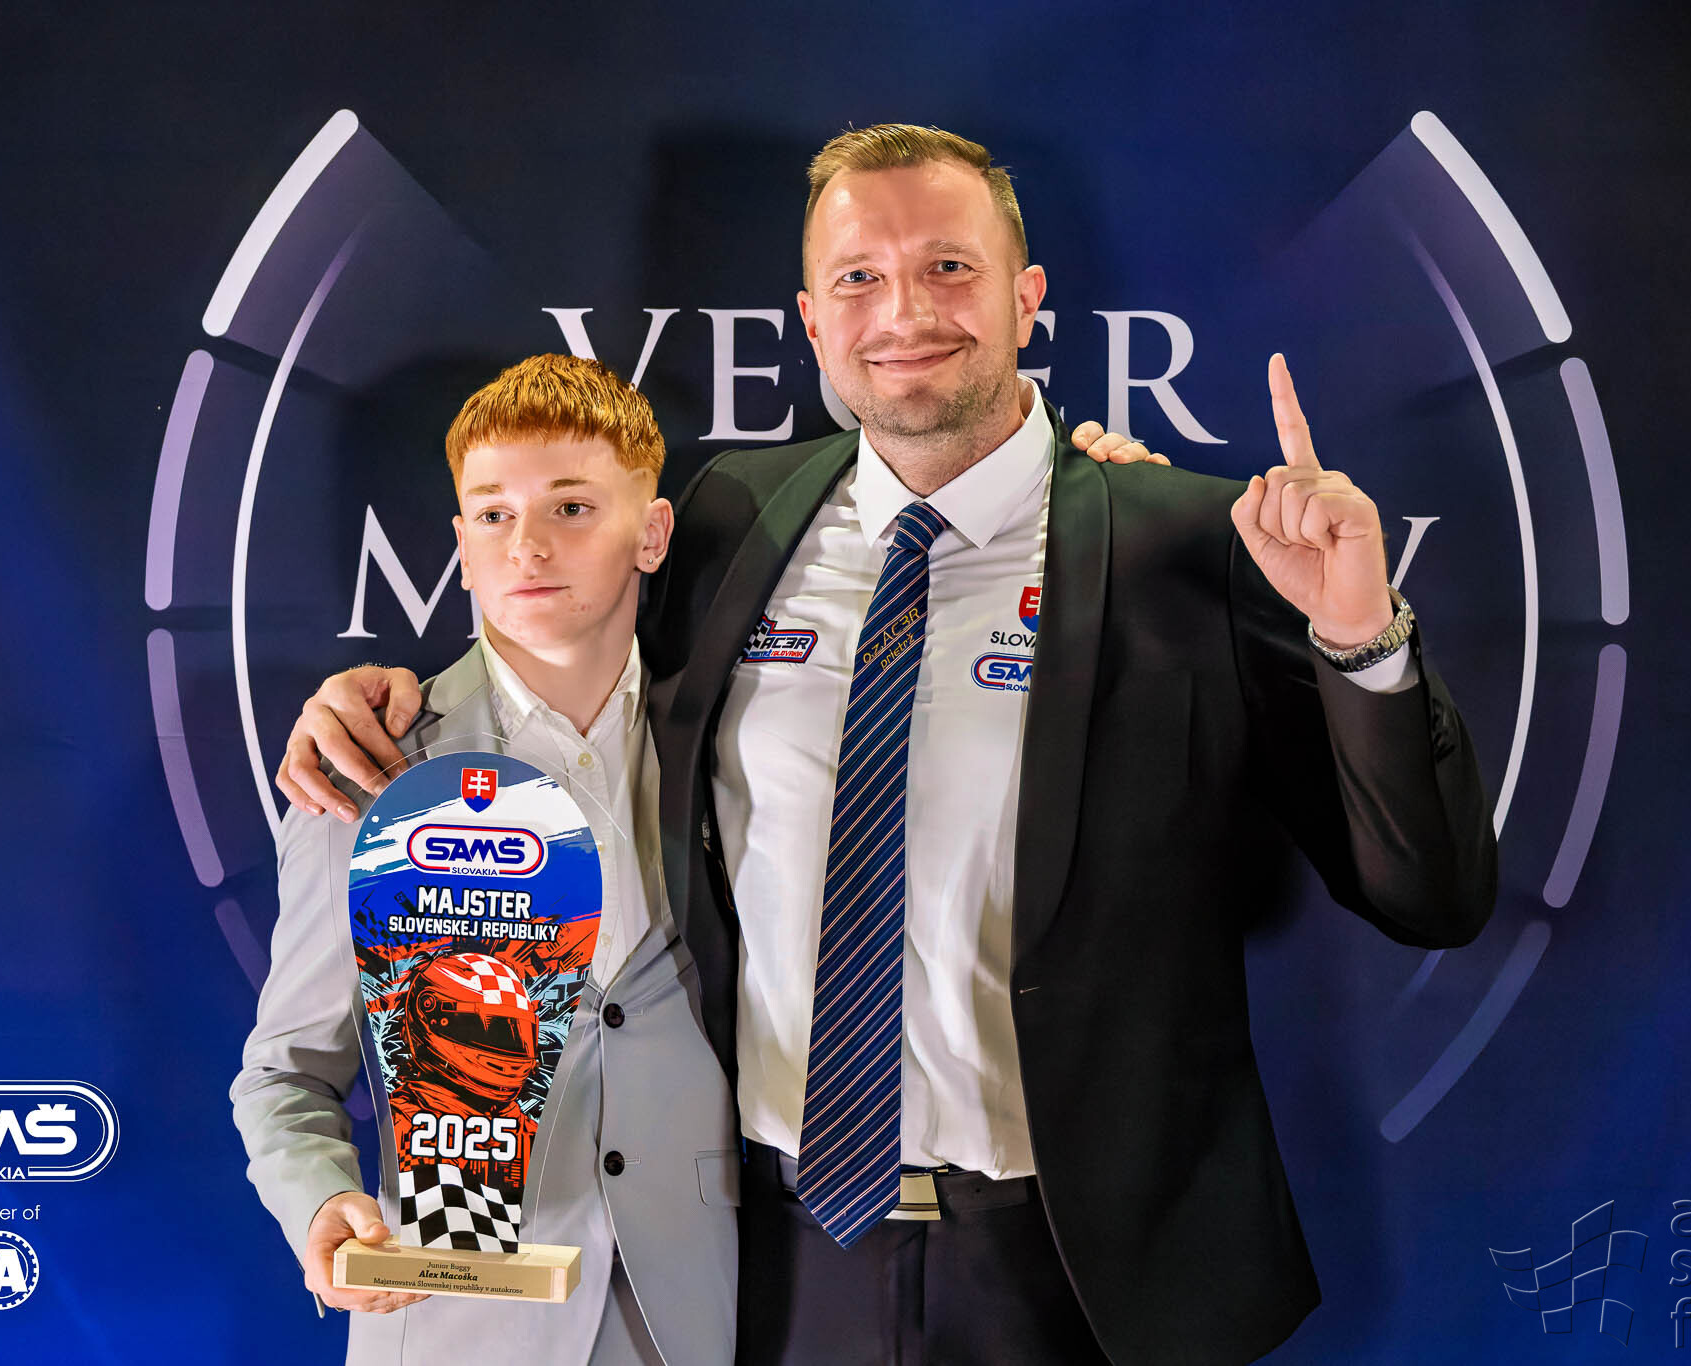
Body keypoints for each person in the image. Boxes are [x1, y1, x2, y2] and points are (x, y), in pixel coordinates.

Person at [277, 124, 1498, 1365]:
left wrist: (1360, 634)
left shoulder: (1185, 542)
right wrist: (387, 706)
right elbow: (553, 642)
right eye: (858, 277)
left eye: (948, 268)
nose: (903, 311)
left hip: (1078, 1275)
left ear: (1026, 297)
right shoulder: (726, 519)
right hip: (772, 1265)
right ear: (812, 322)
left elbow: (1432, 890)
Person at [232, 354, 738, 1366]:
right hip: (457, 1318)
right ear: (461, 546)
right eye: (494, 514)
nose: (528, 546)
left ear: (651, 535)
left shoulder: (742, 741)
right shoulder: (369, 768)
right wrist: (319, 1201)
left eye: (571, 507)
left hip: (699, 1311)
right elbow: (286, 1072)